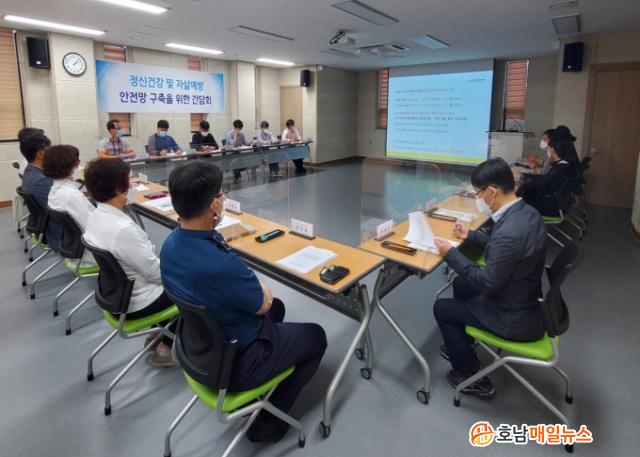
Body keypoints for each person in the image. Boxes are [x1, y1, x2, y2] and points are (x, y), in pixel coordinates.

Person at [160, 161, 327, 443]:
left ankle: (268, 375)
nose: (223, 200)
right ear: (213, 206)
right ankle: (268, 421)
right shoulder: (221, 265)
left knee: (279, 308)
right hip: (236, 364)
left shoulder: (171, 244)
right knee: (315, 336)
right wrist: (259, 286)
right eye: (221, 195)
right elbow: (262, 303)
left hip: (197, 348)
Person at [433, 157, 547, 399]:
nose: (478, 199)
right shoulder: (527, 213)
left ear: (492, 192)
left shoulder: (509, 232)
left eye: (478, 194)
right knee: (460, 283)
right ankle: (463, 344)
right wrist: (471, 235)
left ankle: (469, 376)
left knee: (442, 308)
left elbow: (486, 282)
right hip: (522, 295)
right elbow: (504, 250)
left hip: (512, 315)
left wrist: (450, 254)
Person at [83, 159, 176, 367]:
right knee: (191, 289)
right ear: (119, 189)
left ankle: (158, 333)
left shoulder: (96, 216)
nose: (132, 186)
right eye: (129, 181)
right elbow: (156, 273)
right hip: (138, 301)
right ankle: (166, 347)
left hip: (115, 295)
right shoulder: (122, 229)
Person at [43, 144, 96, 267]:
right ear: (67, 166)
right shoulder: (71, 195)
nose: (79, 165)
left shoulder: (55, 190)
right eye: (77, 162)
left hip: (73, 246)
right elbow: (93, 227)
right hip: (89, 252)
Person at [19, 132, 62, 251]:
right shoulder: (40, 180)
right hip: (57, 232)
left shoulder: (30, 171)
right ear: (40, 154)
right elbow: (61, 209)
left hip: (45, 224)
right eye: (50, 149)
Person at [517, 135, 578, 217]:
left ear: (553, 150)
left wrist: (521, 176)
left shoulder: (560, 168)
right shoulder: (564, 165)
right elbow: (545, 179)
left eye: (550, 147)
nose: (548, 149)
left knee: (518, 199)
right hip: (558, 204)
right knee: (525, 191)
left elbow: (542, 181)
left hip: (551, 207)